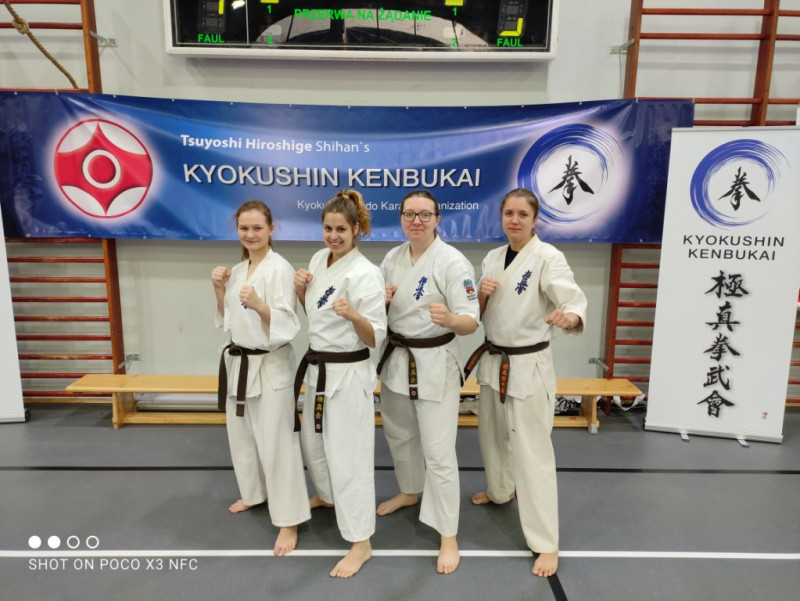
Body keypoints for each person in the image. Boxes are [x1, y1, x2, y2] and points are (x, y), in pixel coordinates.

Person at [464, 188, 587, 578]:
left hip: (527, 363)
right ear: (501, 217)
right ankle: (501, 490)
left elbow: (572, 298)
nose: (514, 220)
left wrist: (570, 316)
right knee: (492, 435)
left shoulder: (548, 257)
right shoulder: (492, 257)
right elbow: (478, 313)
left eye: (522, 214)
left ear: (535, 220)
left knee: (533, 453)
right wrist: (481, 298)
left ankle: (546, 542)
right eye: (509, 214)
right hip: (493, 360)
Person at [375, 190, 479, 575]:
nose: (416, 221)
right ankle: (409, 490)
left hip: (435, 363)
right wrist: (382, 302)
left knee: (438, 451)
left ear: (437, 219)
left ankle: (448, 532)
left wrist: (451, 320)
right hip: (397, 358)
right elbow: (377, 309)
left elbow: (471, 320)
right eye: (409, 214)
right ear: (401, 218)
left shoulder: (452, 262)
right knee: (400, 435)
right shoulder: (392, 257)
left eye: (424, 215)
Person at [293, 189, 387, 579]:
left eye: (341, 230)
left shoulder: (366, 273)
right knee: (313, 443)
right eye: (328, 229)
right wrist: (301, 290)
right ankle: (328, 496)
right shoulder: (319, 260)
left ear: (356, 229)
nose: (334, 236)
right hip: (318, 367)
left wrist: (354, 316)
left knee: (349, 456)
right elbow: (314, 316)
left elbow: (374, 337)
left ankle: (361, 542)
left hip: (348, 374)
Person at [211, 200, 310, 556]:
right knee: (243, 436)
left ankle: (289, 519)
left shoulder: (279, 268)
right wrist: (219, 290)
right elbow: (226, 320)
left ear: (271, 229)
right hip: (239, 363)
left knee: (278, 443)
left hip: (270, 365)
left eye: (257, 228)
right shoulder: (238, 270)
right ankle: (254, 493)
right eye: (244, 228)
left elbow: (288, 323)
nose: (250, 234)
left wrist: (259, 305)